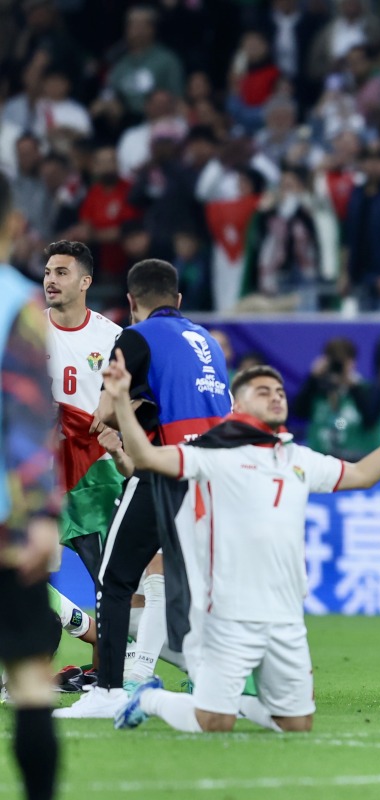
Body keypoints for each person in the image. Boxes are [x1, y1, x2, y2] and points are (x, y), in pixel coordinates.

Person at [111, 360, 380, 732]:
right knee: (214, 722)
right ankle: (149, 698)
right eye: (262, 391)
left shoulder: (297, 457)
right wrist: (121, 402)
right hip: (228, 614)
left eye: (279, 391)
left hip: (286, 614)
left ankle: (237, 703)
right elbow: (147, 457)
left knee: (296, 724)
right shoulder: (213, 453)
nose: (275, 397)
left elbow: (362, 474)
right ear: (237, 404)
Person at [56, 259, 231, 719]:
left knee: (114, 578)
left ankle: (109, 691)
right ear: (178, 300)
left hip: (167, 469)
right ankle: (216, 682)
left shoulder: (135, 337)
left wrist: (116, 413)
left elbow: (103, 410)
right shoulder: (207, 342)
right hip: (219, 473)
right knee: (187, 583)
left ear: (131, 302)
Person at [0, 172, 62, 800]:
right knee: (28, 675)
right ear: (15, 225)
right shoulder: (17, 305)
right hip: (4, 524)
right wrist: (43, 513)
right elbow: (22, 418)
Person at [42, 241, 124, 583]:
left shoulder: (112, 337)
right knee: (30, 586)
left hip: (93, 475)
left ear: (85, 282)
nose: (51, 280)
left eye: (62, 273)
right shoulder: (27, 328)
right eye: (48, 272)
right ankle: (78, 629)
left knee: (111, 582)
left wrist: (115, 426)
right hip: (38, 471)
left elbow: (133, 401)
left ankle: (104, 633)